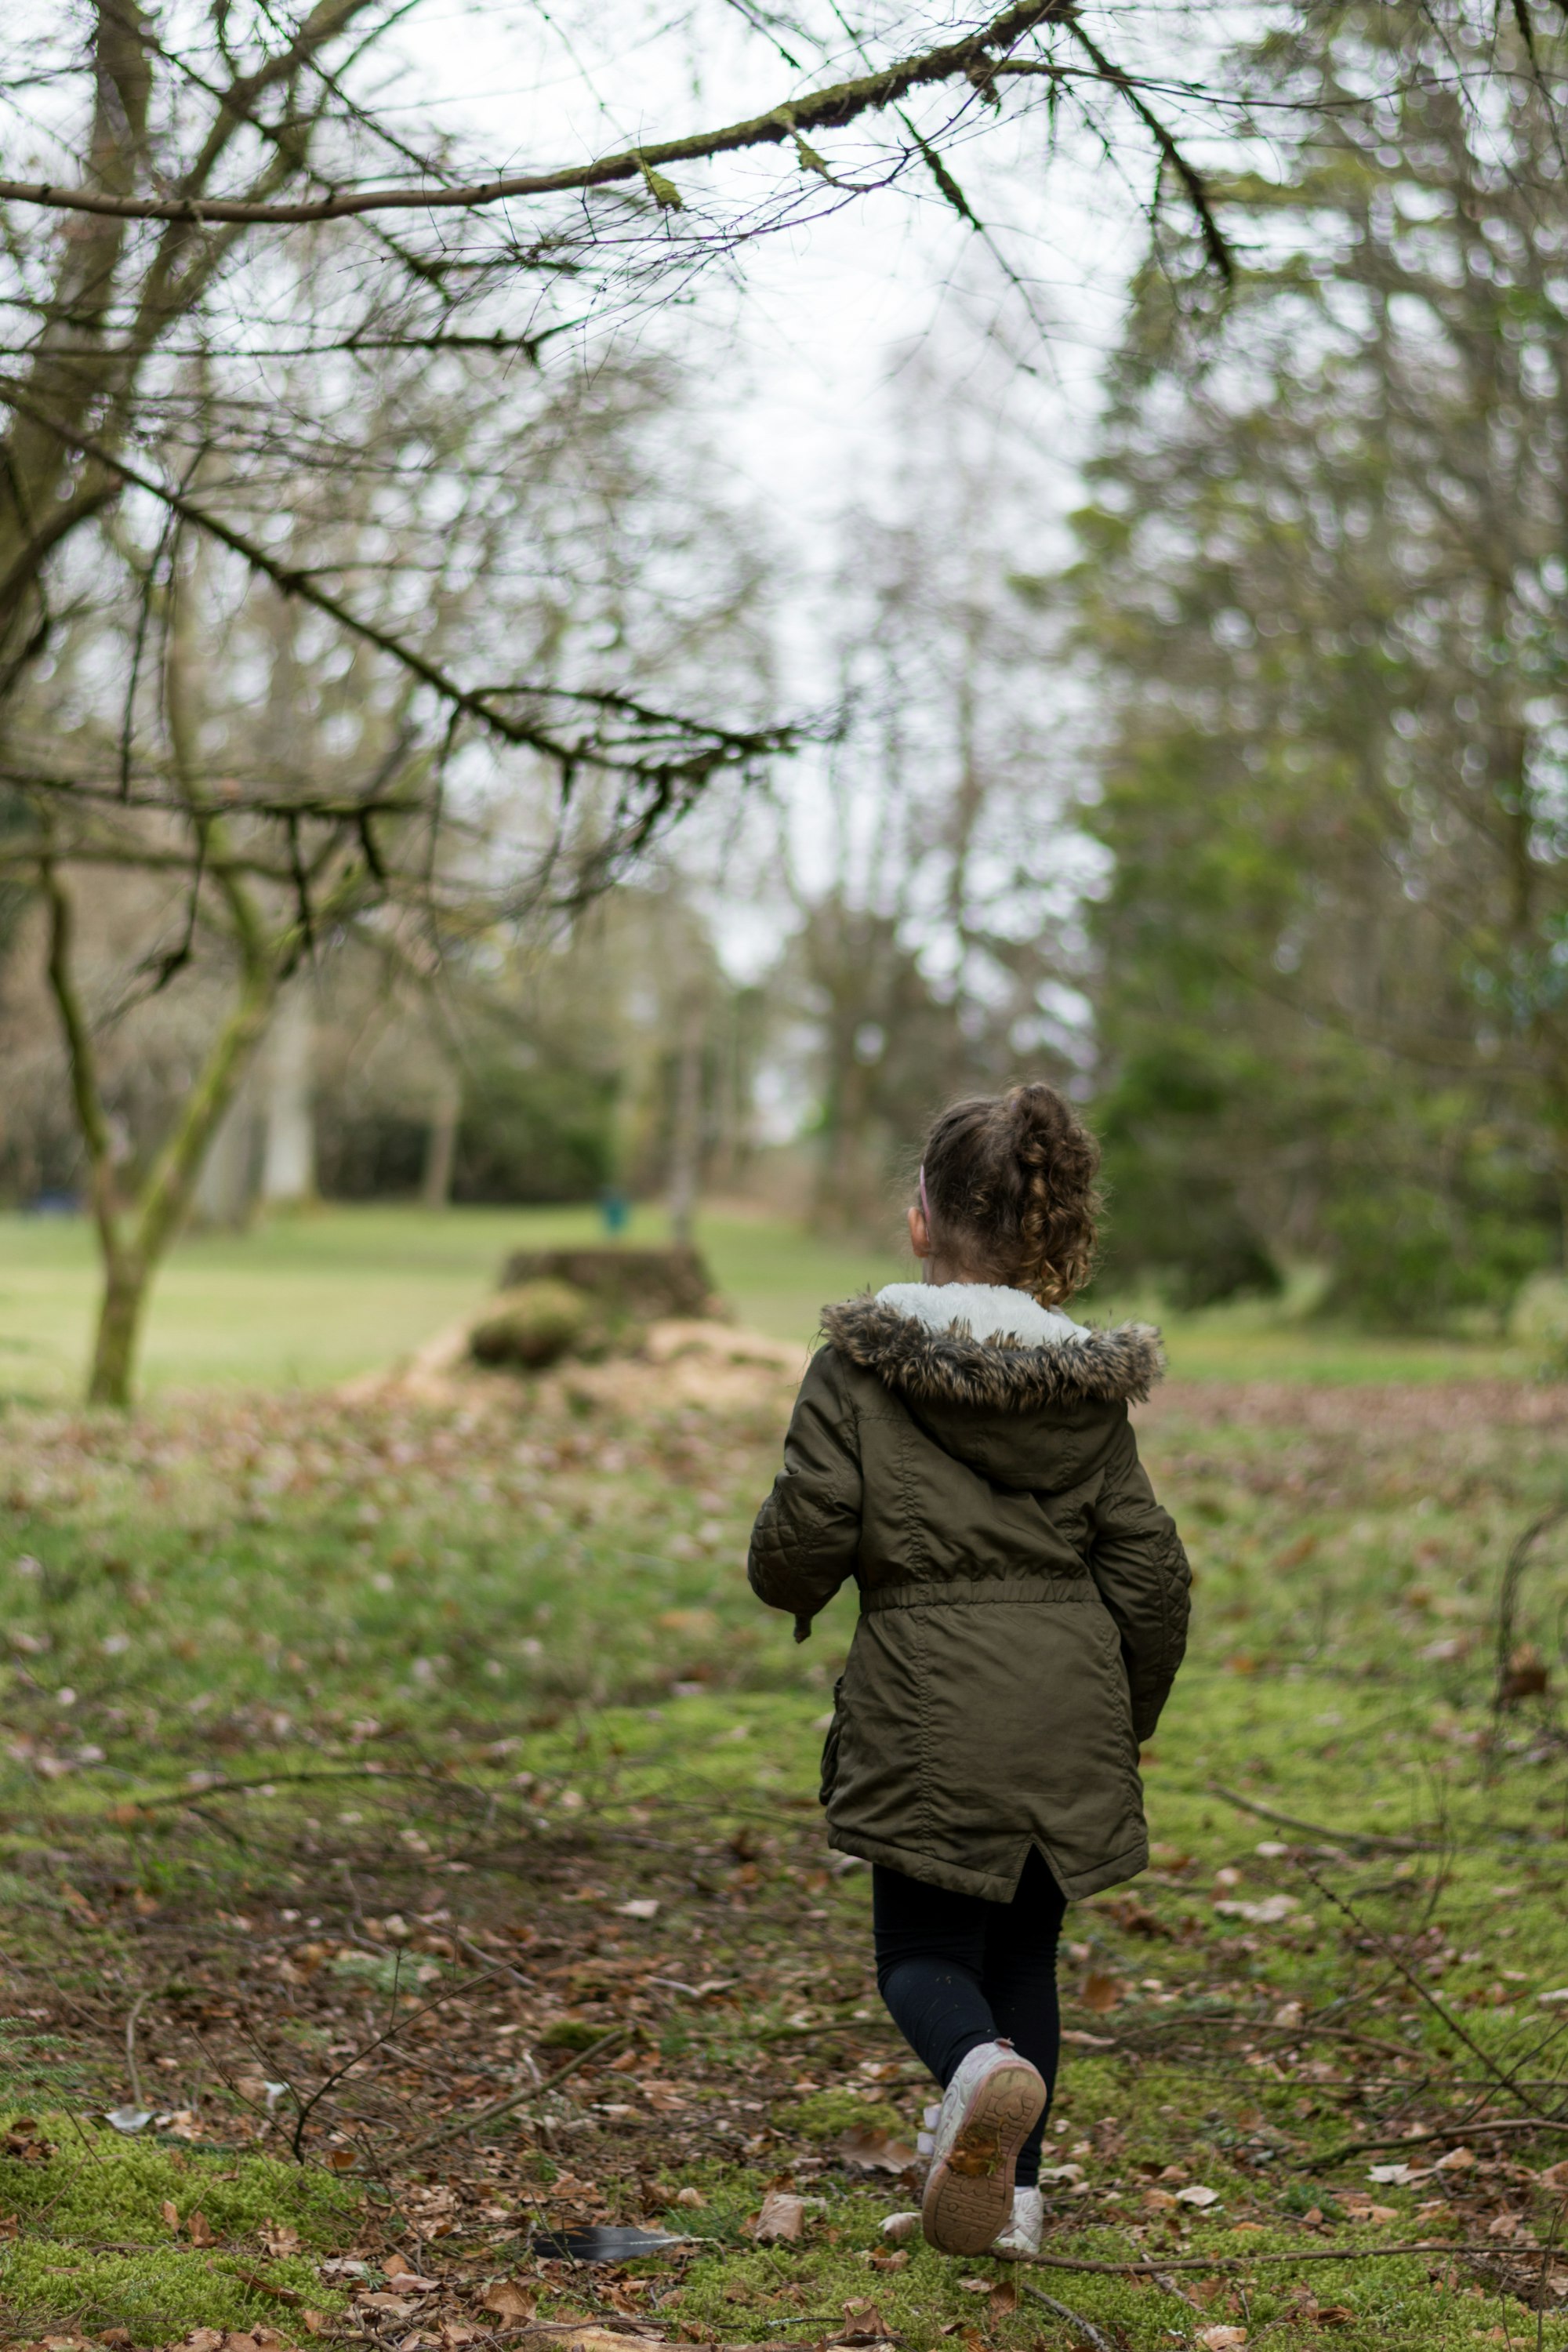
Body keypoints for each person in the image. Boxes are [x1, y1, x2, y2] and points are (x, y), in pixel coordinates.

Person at [746, 1083, 1190, 2260]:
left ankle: (974, 2073)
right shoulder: (1090, 1396)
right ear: (1053, 1234)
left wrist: (788, 1580)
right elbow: (1150, 1572)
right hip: (1068, 1710)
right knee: (1023, 1954)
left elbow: (804, 1540)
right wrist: (1122, 1719)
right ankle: (1016, 2209)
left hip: (930, 1710)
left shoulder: (857, 1369)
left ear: (921, 1222)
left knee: (924, 1957)